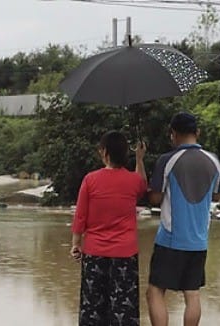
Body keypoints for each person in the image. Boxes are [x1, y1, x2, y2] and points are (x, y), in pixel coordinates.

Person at [146, 112, 220, 326]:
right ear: (197, 132)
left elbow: (155, 198)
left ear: (173, 134)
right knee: (192, 294)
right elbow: (217, 195)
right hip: (199, 240)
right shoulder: (214, 161)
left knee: (155, 291)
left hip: (171, 238)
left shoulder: (167, 160)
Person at [71, 130, 147, 326]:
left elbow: (80, 215)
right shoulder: (133, 180)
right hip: (125, 254)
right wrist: (140, 159)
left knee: (93, 310)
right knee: (124, 309)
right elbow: (142, 186)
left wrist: (76, 244)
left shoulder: (90, 180)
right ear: (125, 154)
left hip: (94, 253)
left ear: (104, 152)